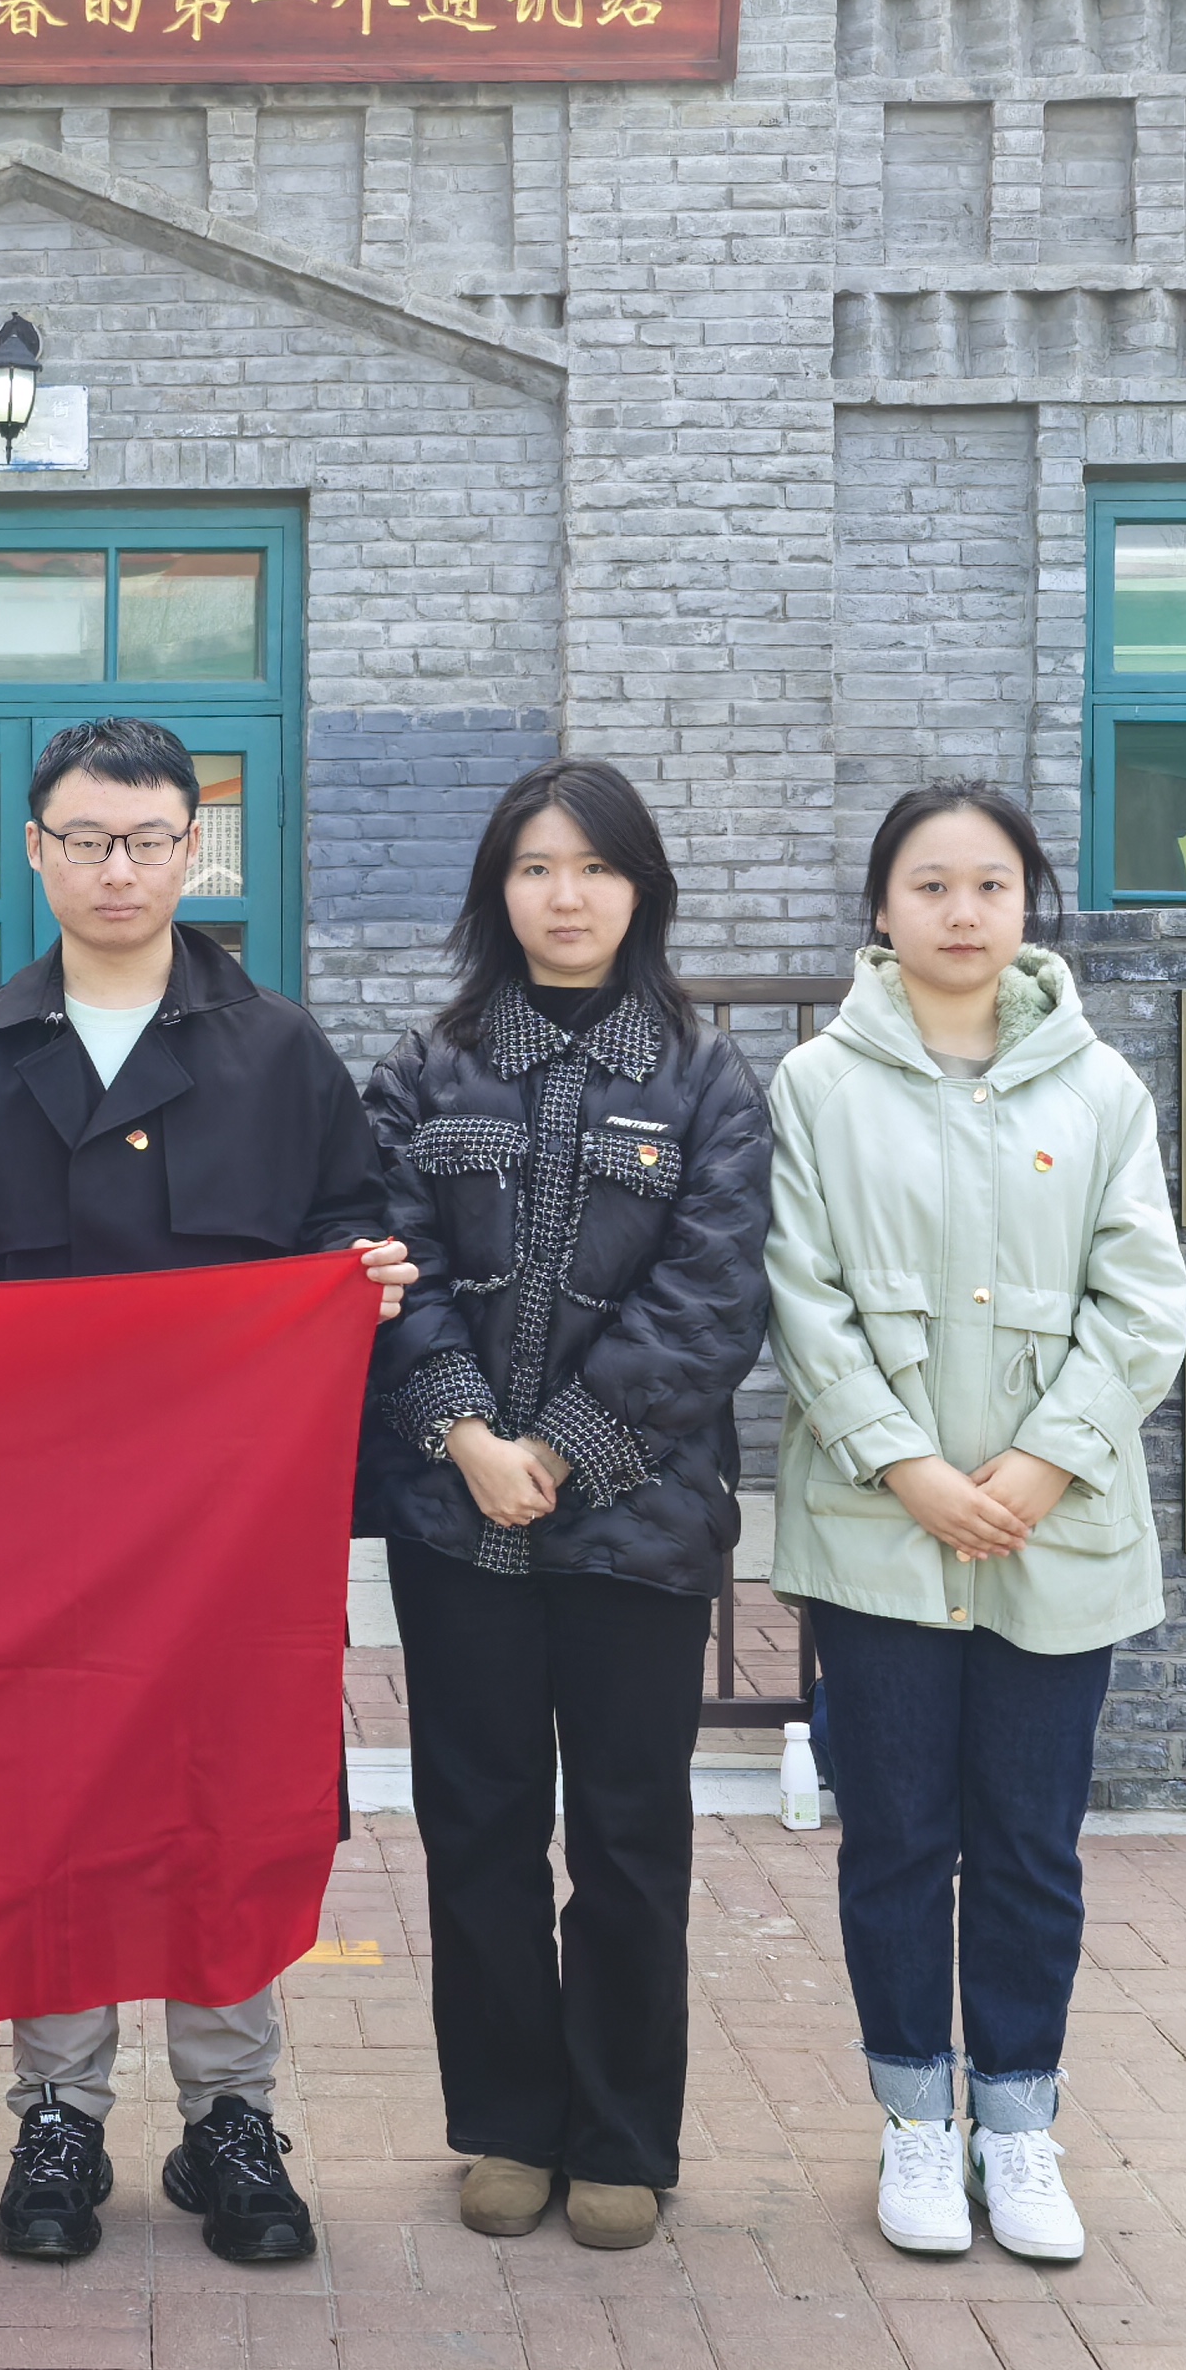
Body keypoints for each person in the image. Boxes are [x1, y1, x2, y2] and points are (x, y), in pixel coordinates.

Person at [0, 714, 415, 2268]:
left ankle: (230, 2117)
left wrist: (362, 1285)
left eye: (146, 841)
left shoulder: (281, 1054)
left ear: (195, 852)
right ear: (36, 854)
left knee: (226, 1803)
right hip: (38, 1533)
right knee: (51, 1808)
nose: (116, 869)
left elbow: (348, 1235)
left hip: (229, 1533)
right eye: (85, 840)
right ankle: (58, 2116)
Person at [765, 783, 1186, 2267]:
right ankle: (914, 2126)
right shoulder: (816, 1085)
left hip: (1053, 1532)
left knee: (1028, 1843)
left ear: (1028, 905)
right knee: (895, 1840)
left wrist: (1045, 1464)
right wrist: (906, 1466)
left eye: (991, 885)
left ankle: (1017, 2124)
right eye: (930, 885)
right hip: (881, 1531)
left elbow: (1145, 1303)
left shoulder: (1101, 1089)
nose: (961, 912)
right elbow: (799, 1294)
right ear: (881, 908)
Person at [357, 759, 773, 2252]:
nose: (566, 895)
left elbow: (714, 1301)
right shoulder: (427, 1068)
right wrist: (470, 1434)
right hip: (454, 1515)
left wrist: (567, 1448)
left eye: (594, 867)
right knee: (475, 1825)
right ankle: (507, 2127)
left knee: (626, 1832)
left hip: (639, 1524)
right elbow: (383, 1262)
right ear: (499, 891)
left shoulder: (707, 1079)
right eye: (536, 867)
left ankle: (620, 2136)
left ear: (640, 889)